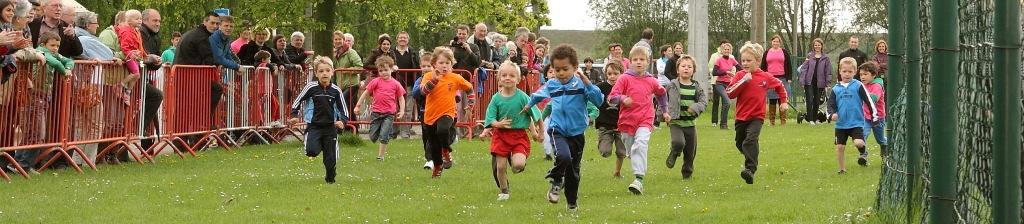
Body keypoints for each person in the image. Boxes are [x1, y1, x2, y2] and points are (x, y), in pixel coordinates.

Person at [526, 44, 603, 212]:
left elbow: (599, 100)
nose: (560, 73)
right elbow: (538, 94)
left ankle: (572, 203)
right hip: (557, 130)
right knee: (563, 156)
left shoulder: (581, 85)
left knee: (573, 172)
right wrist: (529, 105)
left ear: (575, 67)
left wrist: (588, 84)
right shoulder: (553, 84)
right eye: (557, 69)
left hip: (577, 133)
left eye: (565, 69)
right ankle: (556, 180)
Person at [607, 47, 668, 195]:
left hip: (645, 119)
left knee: (640, 145)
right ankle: (635, 163)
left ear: (647, 62)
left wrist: (665, 111)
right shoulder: (624, 78)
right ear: (630, 62)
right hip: (627, 122)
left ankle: (638, 180)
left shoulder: (651, 80)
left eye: (642, 59)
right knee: (631, 151)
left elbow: (661, 93)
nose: (638, 62)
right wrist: (622, 98)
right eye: (635, 59)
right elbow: (611, 97)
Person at [725, 42, 788, 184]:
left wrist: (783, 101)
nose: (745, 63)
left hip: (757, 117)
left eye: (749, 60)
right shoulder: (740, 75)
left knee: (750, 140)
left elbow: (779, 86)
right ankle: (751, 155)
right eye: (743, 61)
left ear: (758, 61)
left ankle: (750, 170)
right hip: (741, 117)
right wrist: (743, 81)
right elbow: (730, 93)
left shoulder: (765, 77)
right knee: (740, 143)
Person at [483, 61, 542, 201]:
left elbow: (535, 115)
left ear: (518, 79)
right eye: (504, 75)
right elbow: (490, 118)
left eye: (511, 75)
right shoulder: (496, 99)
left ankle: (517, 166)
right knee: (501, 166)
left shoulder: (523, 97)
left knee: (518, 164)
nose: (507, 78)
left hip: (519, 136)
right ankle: (504, 191)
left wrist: (537, 132)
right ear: (499, 79)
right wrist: (498, 124)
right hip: (501, 136)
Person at [288, 56, 348, 184]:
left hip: (330, 128)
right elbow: (298, 100)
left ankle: (330, 179)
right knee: (311, 151)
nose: (324, 73)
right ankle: (316, 142)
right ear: (316, 73)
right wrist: (294, 115)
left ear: (332, 72)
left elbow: (344, 110)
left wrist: (342, 121)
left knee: (331, 159)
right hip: (314, 126)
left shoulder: (336, 91)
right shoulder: (311, 87)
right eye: (321, 71)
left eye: (327, 70)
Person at [419, 47, 474, 178]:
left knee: (443, 130)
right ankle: (438, 166)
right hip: (430, 115)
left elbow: (469, 88)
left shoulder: (455, 78)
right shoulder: (428, 76)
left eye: (447, 63)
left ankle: (446, 150)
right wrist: (435, 80)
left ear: (452, 64)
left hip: (448, 113)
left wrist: (471, 104)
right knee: (433, 145)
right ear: (434, 64)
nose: (444, 66)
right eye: (441, 63)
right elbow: (423, 92)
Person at [827, 57, 878, 174]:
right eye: (844, 71)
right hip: (841, 125)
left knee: (858, 143)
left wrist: (874, 117)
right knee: (840, 147)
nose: (847, 74)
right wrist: (831, 115)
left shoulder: (858, 85)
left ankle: (863, 150)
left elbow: (869, 101)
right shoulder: (836, 89)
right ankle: (841, 169)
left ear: (855, 72)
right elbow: (830, 106)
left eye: (850, 72)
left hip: (856, 123)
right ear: (840, 71)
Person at [354, 55, 405, 161]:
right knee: (372, 137)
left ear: (391, 69)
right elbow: (365, 94)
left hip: (389, 114)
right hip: (376, 113)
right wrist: (358, 105)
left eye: (386, 70)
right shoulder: (375, 81)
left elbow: (401, 98)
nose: (383, 73)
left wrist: (402, 110)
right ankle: (383, 133)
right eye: (381, 71)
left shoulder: (396, 84)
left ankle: (380, 156)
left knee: (383, 135)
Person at [664, 55, 707, 179]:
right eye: (683, 66)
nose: (686, 68)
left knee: (690, 152)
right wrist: (661, 115)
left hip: (690, 124)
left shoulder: (696, 86)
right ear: (678, 69)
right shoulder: (672, 85)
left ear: (693, 70)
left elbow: (703, 101)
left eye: (689, 67)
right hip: (675, 122)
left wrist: (696, 107)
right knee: (678, 142)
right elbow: (662, 100)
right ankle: (674, 152)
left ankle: (687, 175)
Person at [595, 61, 626, 178]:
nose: (612, 76)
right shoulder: (600, 87)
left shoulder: (625, 87)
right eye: (609, 74)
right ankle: (602, 142)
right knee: (605, 152)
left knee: (622, 152)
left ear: (621, 74)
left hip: (621, 125)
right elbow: (591, 97)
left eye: (615, 73)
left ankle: (617, 172)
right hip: (605, 125)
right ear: (605, 74)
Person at [760, 35, 794, 126]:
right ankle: (772, 122)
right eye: (774, 41)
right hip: (770, 78)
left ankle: (783, 121)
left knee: (782, 100)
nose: (776, 43)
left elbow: (789, 65)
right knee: (772, 100)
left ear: (780, 43)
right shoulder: (767, 52)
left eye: (777, 41)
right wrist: (763, 77)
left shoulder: (784, 52)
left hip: (782, 78)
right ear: (771, 42)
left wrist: (789, 78)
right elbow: (763, 66)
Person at [411, 52, 437, 170]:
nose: (426, 68)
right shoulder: (420, 80)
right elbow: (415, 94)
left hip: (437, 111)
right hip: (424, 111)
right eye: (423, 66)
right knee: (426, 136)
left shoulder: (438, 78)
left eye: (428, 66)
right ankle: (429, 157)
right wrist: (424, 87)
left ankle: (431, 159)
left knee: (435, 134)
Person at [391, 31, 419, 139]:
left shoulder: (413, 53)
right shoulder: (391, 52)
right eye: (400, 37)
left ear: (408, 40)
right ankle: (393, 132)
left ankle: (405, 133)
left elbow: (417, 67)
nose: (402, 39)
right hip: (393, 85)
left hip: (409, 85)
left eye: (405, 38)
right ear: (397, 39)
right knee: (393, 108)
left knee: (407, 109)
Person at [799, 38, 832, 125]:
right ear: (813, 46)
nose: (817, 46)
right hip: (809, 82)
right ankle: (810, 119)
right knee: (809, 100)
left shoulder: (826, 58)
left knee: (817, 101)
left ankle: (814, 118)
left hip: (820, 83)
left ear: (821, 46)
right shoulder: (809, 56)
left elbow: (828, 71)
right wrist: (802, 81)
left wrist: (828, 83)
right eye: (815, 45)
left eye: (819, 45)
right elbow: (804, 69)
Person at [858, 61, 887, 157]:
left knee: (880, 139)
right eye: (861, 74)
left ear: (874, 75)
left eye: (865, 74)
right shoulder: (862, 85)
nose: (862, 77)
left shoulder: (877, 86)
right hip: (865, 117)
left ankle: (884, 145)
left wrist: (863, 95)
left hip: (878, 117)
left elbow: (874, 99)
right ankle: (863, 154)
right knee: (863, 135)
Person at [711, 41, 740, 130]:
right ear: (722, 51)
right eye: (725, 49)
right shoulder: (719, 60)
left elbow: (740, 68)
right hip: (719, 84)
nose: (726, 51)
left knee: (725, 104)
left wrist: (748, 72)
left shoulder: (732, 60)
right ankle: (722, 124)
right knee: (727, 102)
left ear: (730, 51)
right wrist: (725, 72)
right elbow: (714, 72)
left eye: (728, 49)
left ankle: (723, 125)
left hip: (729, 84)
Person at [707, 40, 730, 127]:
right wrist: (721, 72)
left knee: (725, 101)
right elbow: (710, 67)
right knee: (716, 101)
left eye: (726, 46)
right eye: (723, 46)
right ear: (720, 47)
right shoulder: (714, 56)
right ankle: (714, 121)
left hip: (728, 81)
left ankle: (723, 121)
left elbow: (734, 68)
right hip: (716, 81)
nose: (725, 48)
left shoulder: (730, 56)